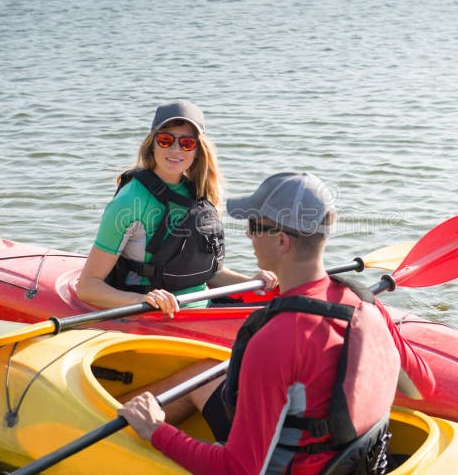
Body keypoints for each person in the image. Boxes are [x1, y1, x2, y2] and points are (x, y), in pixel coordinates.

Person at [118, 172, 434, 474]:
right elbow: (423, 386)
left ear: (282, 242)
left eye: (255, 225)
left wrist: (156, 431)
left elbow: (238, 469)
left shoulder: (276, 341)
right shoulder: (364, 303)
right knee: (205, 376)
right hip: (356, 463)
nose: (247, 234)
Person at [77, 99, 277, 315]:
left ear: (197, 150)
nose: (175, 149)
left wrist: (250, 281)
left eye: (186, 143)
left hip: (203, 308)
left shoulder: (197, 192)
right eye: (165, 140)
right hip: (157, 314)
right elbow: (87, 286)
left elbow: (202, 272)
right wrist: (143, 299)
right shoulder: (129, 201)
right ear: (152, 144)